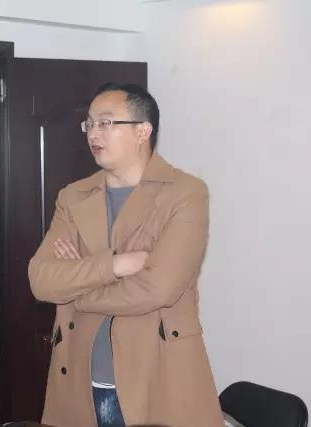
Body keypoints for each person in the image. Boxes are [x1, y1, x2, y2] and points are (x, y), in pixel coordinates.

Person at [29, 82, 224, 427]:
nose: (93, 133)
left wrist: (78, 291)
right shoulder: (73, 197)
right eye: (89, 124)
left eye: (106, 123)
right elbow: (42, 280)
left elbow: (157, 289)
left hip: (156, 375)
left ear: (142, 131)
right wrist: (116, 264)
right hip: (79, 376)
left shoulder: (185, 193)